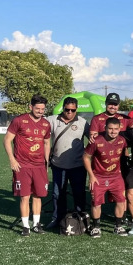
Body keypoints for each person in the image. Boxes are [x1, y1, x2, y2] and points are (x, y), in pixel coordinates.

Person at [3, 94, 51, 235]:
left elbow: (47, 143)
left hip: (39, 166)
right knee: (25, 196)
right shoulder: (19, 120)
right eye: (37, 108)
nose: (40, 111)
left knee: (38, 196)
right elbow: (6, 140)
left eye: (42, 109)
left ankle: (36, 224)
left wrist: (46, 163)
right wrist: (12, 159)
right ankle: (25, 227)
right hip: (22, 165)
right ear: (31, 107)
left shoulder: (46, 124)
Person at [46, 96, 90, 228]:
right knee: (57, 194)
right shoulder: (52, 120)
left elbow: (94, 140)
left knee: (79, 193)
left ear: (76, 109)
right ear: (63, 108)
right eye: (67, 109)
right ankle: (57, 219)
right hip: (58, 165)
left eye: (73, 110)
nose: (69, 112)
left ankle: (81, 219)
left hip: (78, 166)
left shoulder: (83, 122)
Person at [83, 117, 128, 237]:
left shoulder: (122, 140)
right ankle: (96, 227)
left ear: (120, 129)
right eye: (110, 129)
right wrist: (91, 176)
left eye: (116, 129)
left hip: (116, 176)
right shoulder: (96, 140)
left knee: (121, 201)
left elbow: (125, 154)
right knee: (96, 203)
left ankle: (118, 226)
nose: (113, 131)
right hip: (98, 177)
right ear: (105, 128)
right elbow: (86, 157)